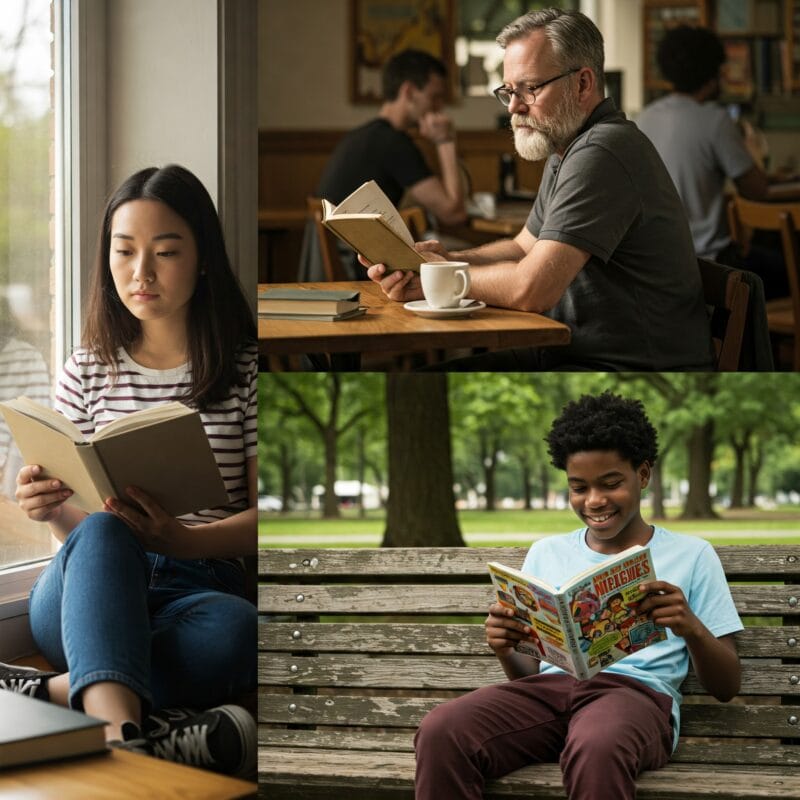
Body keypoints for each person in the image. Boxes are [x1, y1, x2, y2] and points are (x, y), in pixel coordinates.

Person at [0, 165, 258, 778]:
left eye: (165, 252)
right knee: (108, 528)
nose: (140, 273)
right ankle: (125, 740)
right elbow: (78, 528)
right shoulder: (86, 368)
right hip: (89, 590)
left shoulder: (246, 371)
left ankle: (63, 696)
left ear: (202, 259)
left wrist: (183, 540)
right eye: (124, 252)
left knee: (239, 632)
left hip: (199, 587)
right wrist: (46, 504)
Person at [414, 391, 743, 800]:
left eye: (610, 483)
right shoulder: (546, 551)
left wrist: (691, 626)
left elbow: (727, 684)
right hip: (548, 696)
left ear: (642, 475)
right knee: (443, 728)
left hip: (633, 698)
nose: (594, 501)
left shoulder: (692, 554)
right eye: (578, 487)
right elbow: (530, 675)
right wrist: (505, 648)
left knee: (597, 743)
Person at [366, 9, 714, 371]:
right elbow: (523, 248)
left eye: (530, 88)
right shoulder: (569, 146)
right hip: (570, 351)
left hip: (628, 369)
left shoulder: (602, 152)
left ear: (582, 84)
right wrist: (438, 262)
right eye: (509, 91)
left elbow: (531, 289)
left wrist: (439, 276)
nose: (514, 107)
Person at [636, 26, 786, 298]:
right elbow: (756, 190)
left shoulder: (644, 118)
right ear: (714, 74)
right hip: (712, 265)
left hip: (658, 264)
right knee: (788, 266)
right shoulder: (715, 120)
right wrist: (752, 151)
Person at [301, 48, 467, 280]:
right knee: (457, 260)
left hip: (341, 264)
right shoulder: (394, 144)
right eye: (435, 97)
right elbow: (454, 213)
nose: (439, 108)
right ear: (409, 92)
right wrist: (445, 141)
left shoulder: (363, 136)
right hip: (362, 272)